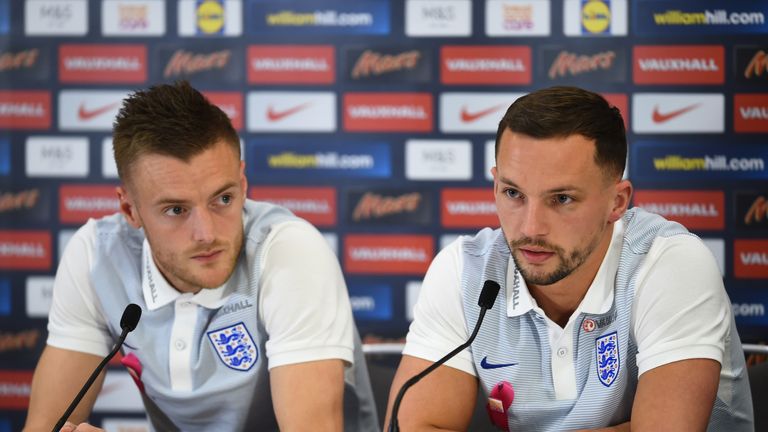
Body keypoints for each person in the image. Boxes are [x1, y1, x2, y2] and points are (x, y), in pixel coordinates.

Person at [385, 86, 754, 431]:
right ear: (495, 184)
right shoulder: (465, 272)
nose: (531, 227)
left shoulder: (669, 262)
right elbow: (414, 425)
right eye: (513, 193)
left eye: (562, 199)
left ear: (617, 202)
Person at [23, 81, 378, 432]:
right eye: (176, 209)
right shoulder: (95, 256)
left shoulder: (288, 252)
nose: (207, 233)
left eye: (223, 198)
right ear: (129, 210)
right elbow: (45, 427)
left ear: (242, 183)